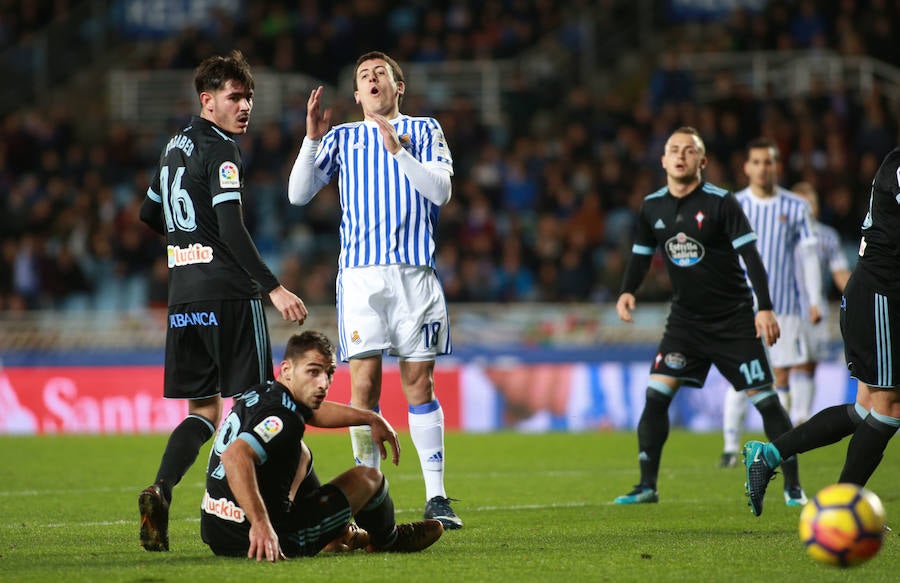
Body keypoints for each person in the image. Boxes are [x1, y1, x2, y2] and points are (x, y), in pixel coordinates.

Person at [138, 50, 308, 551]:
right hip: (230, 295)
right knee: (259, 405)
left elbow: (150, 214)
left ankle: (161, 488)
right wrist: (271, 286)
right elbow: (231, 227)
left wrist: (186, 247)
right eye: (235, 97)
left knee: (202, 411)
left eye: (249, 97)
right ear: (207, 101)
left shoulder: (172, 146)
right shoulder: (221, 148)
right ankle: (265, 515)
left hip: (184, 297)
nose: (245, 106)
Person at [287, 51, 461, 529]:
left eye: (379, 73)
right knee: (363, 385)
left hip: (415, 274)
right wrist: (309, 141)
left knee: (419, 384)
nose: (371, 79)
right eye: (363, 76)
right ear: (358, 95)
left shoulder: (425, 131)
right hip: (363, 279)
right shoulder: (341, 138)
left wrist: (399, 151)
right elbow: (298, 194)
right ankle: (369, 497)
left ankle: (437, 497)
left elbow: (441, 192)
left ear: (397, 86)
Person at [613, 127, 800, 507]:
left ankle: (793, 487)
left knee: (766, 401)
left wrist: (764, 307)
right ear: (663, 160)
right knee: (655, 397)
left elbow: (751, 257)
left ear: (703, 161)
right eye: (673, 150)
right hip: (685, 323)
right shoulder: (652, 206)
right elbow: (640, 255)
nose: (680, 156)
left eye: (689, 150)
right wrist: (628, 290)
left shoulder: (721, 202)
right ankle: (647, 486)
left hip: (733, 321)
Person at [744, 147, 900, 513]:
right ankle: (840, 508)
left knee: (867, 409)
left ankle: (769, 454)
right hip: (881, 296)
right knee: (890, 406)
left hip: (882, 295)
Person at [201, 330, 443, 559]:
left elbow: (313, 412)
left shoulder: (264, 392)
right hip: (263, 540)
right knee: (370, 478)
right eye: (313, 372)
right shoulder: (284, 419)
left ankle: (337, 535)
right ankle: (388, 540)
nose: (323, 383)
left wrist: (370, 417)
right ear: (287, 369)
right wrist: (261, 525)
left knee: (300, 453)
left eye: (329, 373)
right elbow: (234, 456)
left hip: (218, 530)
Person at [718, 139, 822, 512]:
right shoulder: (733, 205)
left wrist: (813, 299)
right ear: (746, 167)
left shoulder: (795, 206)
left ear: (777, 167)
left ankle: (792, 484)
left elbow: (810, 254)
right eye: (757, 162)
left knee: (776, 393)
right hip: (739, 313)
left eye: (769, 162)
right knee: (748, 384)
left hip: (786, 312)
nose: (763, 168)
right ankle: (731, 447)